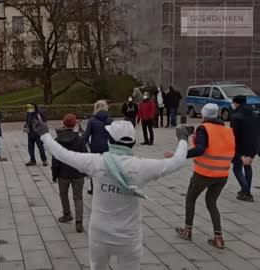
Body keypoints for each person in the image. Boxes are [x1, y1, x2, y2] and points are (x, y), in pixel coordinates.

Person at [32, 119, 190, 270]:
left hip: (100, 234)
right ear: (133, 142)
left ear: (109, 140)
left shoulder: (96, 162)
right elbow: (177, 161)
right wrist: (183, 138)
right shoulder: (142, 166)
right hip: (129, 236)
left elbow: (62, 154)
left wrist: (44, 134)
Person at [174, 103, 235, 249]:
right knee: (211, 202)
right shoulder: (227, 130)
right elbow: (231, 150)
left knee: (190, 199)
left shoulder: (204, 128)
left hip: (204, 173)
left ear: (204, 114)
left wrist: (181, 155)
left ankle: (187, 230)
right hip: (223, 174)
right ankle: (218, 237)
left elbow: (200, 149)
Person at [52, 114, 88, 233]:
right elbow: (85, 156)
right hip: (77, 173)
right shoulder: (80, 139)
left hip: (63, 173)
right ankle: (79, 222)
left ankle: (67, 214)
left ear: (64, 123)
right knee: (78, 197)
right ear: (74, 125)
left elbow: (55, 160)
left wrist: (54, 174)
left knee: (63, 194)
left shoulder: (57, 140)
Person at [230, 95, 257, 202]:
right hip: (252, 146)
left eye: (234, 102)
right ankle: (245, 189)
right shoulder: (255, 114)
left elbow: (233, 134)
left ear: (237, 103)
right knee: (247, 166)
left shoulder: (236, 116)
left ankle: (246, 191)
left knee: (237, 168)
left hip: (239, 146)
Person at [85, 100, 113, 194]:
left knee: (95, 169)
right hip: (107, 148)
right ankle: (106, 187)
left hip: (95, 148)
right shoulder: (110, 120)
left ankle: (94, 189)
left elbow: (86, 136)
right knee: (107, 168)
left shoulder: (92, 120)